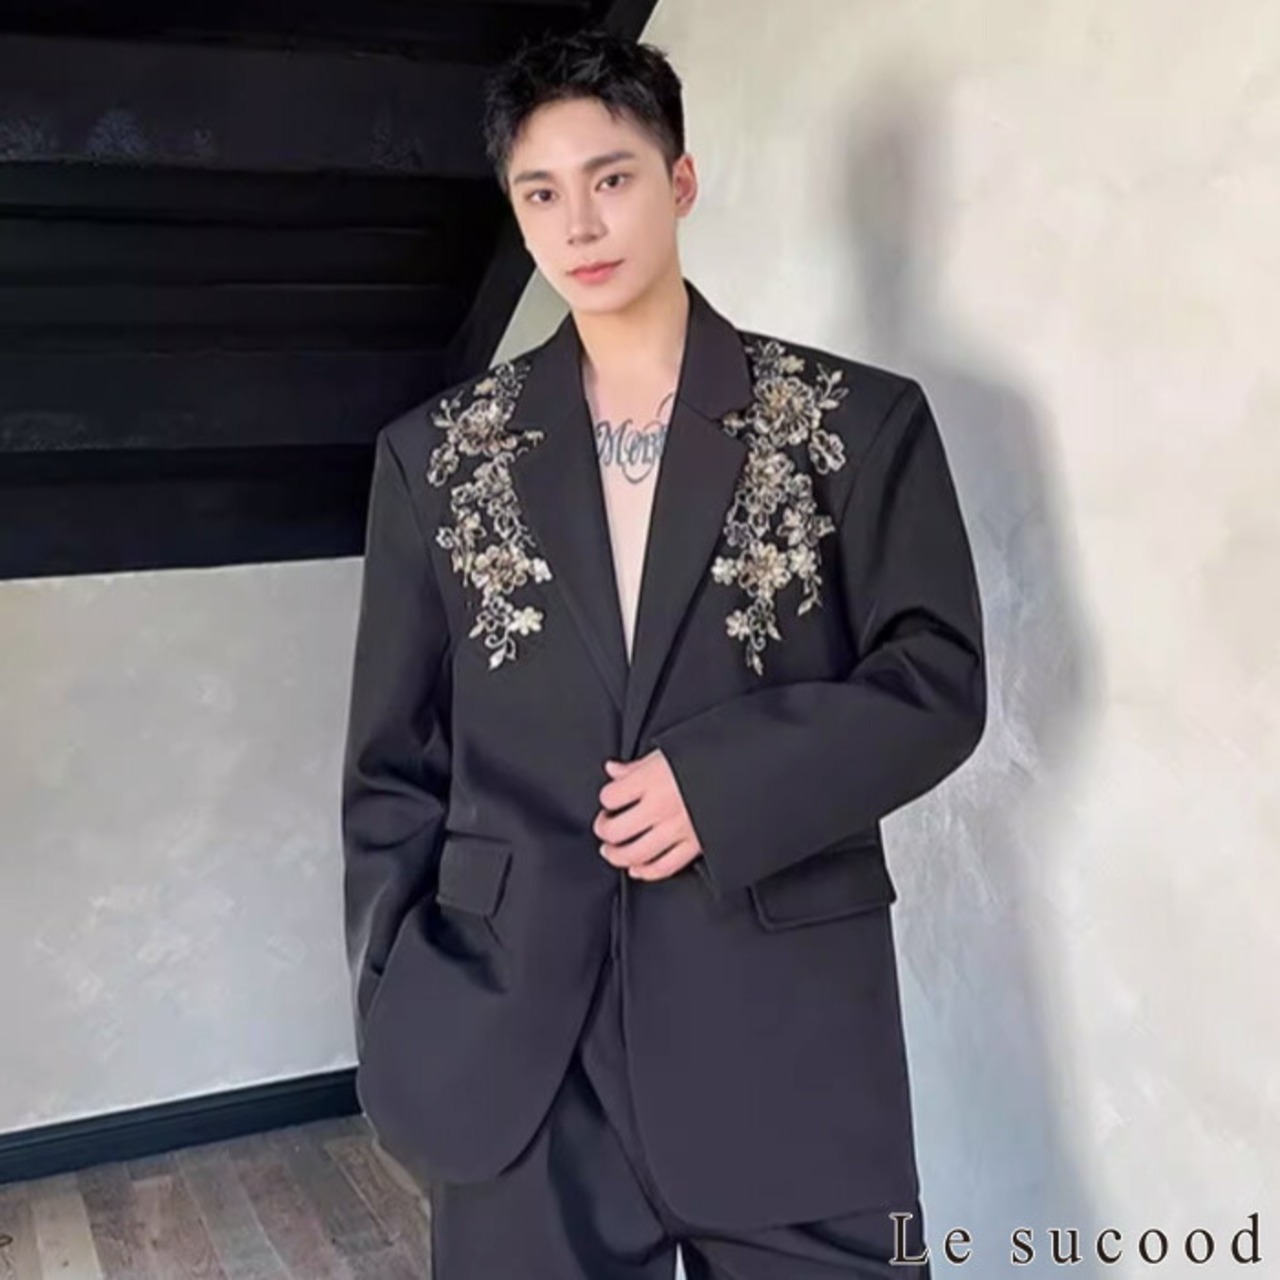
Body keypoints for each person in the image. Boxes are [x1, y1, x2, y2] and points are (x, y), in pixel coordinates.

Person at [341, 27, 986, 1280]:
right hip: (518, 1050)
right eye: (541, 193)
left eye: (611, 177)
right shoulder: (435, 459)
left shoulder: (852, 425)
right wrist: (397, 1000)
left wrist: (719, 781)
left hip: (784, 1026)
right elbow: (388, 766)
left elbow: (936, 679)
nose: (579, 222)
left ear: (678, 181)